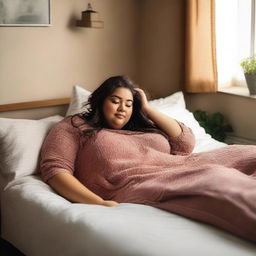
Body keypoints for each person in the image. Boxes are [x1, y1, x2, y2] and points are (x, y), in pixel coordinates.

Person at [40, 75, 256, 243]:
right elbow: (56, 170)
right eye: (115, 101)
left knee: (248, 153)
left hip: (183, 165)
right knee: (218, 178)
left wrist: (147, 108)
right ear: (99, 101)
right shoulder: (74, 126)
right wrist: (99, 203)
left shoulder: (141, 126)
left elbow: (185, 144)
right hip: (143, 182)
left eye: (128, 103)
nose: (122, 109)